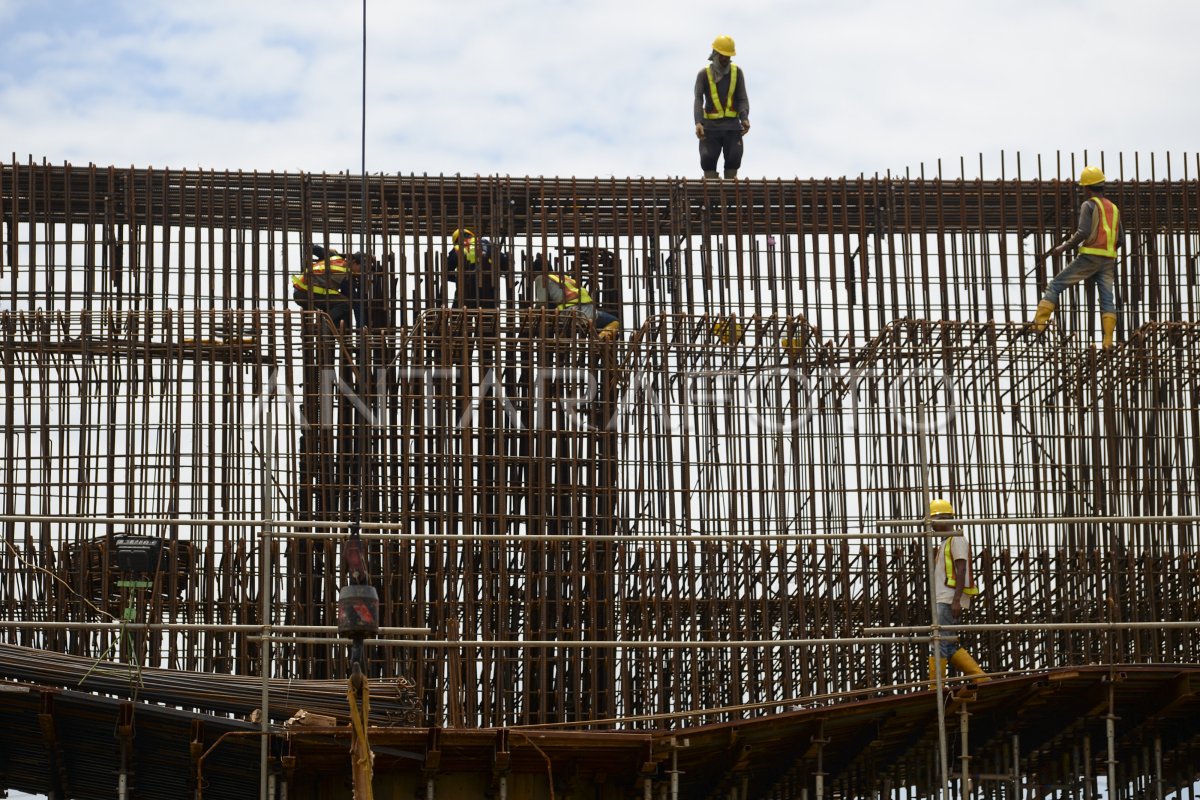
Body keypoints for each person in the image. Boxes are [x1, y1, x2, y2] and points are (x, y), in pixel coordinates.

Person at [1030, 166, 1123, 349]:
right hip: (1108, 259)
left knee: (1055, 285)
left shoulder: (1089, 205)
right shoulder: (1114, 208)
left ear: (1087, 188)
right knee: (1107, 300)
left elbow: (1083, 232)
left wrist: (1063, 247)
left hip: (1090, 257)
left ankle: (1039, 325)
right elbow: (1120, 239)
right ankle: (1108, 341)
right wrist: (1107, 251)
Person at [926, 498, 987, 688]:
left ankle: (935, 687)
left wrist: (956, 600)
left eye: (933, 522)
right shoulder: (946, 541)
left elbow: (962, 569)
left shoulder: (957, 538)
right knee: (949, 643)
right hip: (944, 599)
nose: (933, 527)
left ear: (943, 518)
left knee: (938, 642)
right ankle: (981, 678)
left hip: (948, 600)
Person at [694, 34, 750, 180]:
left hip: (732, 127)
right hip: (711, 128)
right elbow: (698, 99)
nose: (725, 60)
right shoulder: (703, 75)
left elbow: (742, 98)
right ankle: (711, 191)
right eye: (722, 56)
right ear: (715, 55)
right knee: (708, 158)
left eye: (728, 56)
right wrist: (698, 122)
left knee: (734, 156)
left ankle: (731, 193)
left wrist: (744, 117)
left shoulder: (737, 73)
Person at [529, 256, 620, 341]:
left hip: (572, 313)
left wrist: (532, 316)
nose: (532, 279)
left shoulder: (540, 278)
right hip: (588, 310)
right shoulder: (562, 278)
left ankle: (598, 341)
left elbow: (541, 303)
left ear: (536, 272)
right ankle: (601, 337)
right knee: (613, 321)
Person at [291, 246, 365, 331]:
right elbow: (354, 302)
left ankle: (322, 326)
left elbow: (314, 248)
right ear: (354, 262)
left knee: (335, 302)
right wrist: (361, 329)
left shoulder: (334, 257)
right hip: (304, 294)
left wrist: (328, 251)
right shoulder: (344, 274)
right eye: (361, 268)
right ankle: (322, 323)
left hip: (301, 289)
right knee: (346, 303)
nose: (360, 272)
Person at [444, 228, 507, 309]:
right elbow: (505, 262)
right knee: (488, 318)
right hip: (487, 290)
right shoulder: (487, 244)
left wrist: (458, 278)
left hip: (466, 290)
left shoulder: (457, 248)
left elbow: (446, 272)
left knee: (459, 318)